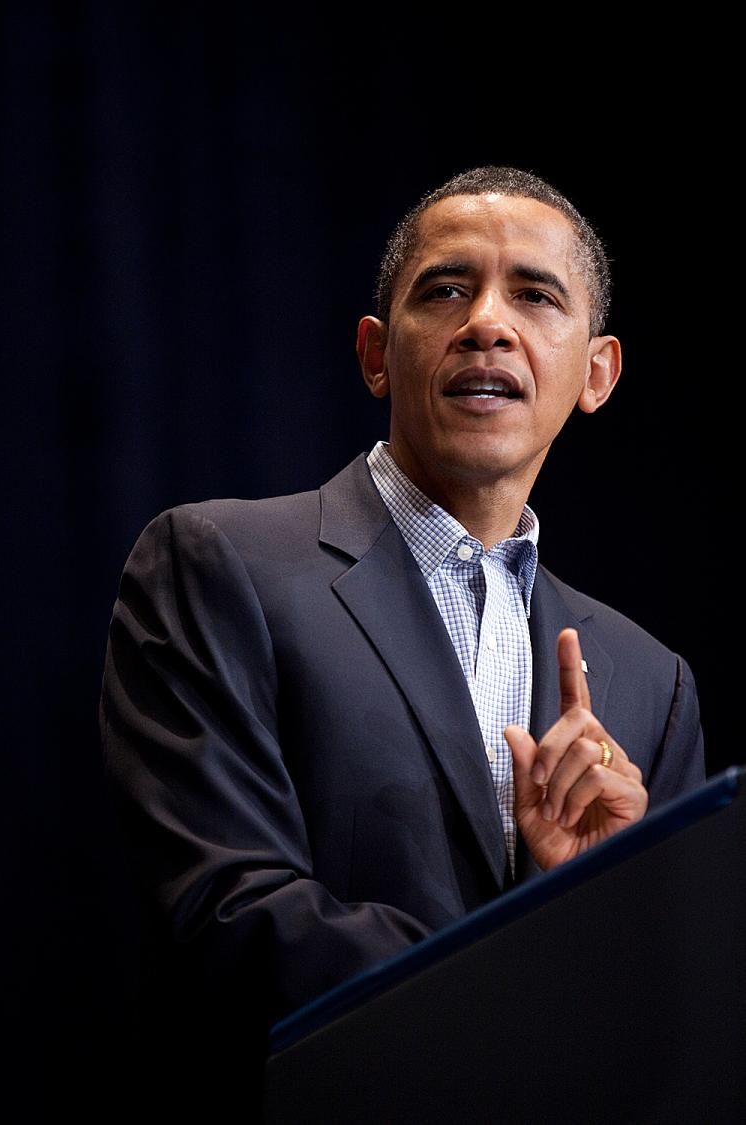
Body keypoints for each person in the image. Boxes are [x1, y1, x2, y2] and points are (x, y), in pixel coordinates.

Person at [100, 166, 704, 1108]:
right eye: (447, 289)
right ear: (377, 353)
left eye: (535, 294)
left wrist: (601, 897)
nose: (487, 323)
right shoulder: (218, 564)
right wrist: (533, 974)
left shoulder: (650, 683)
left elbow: (672, 1021)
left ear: (597, 372)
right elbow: (226, 910)